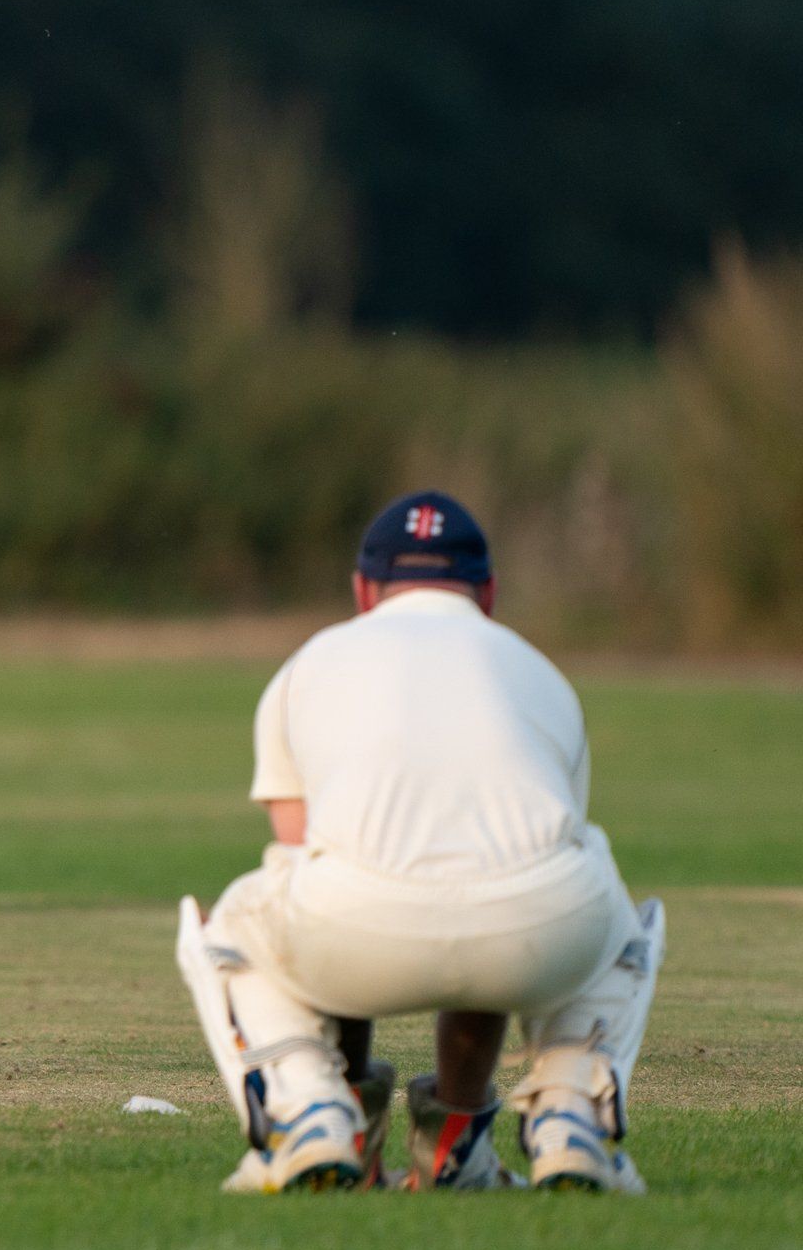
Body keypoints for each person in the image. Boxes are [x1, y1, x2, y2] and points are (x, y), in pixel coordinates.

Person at [176, 492, 664, 1195]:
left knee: (231, 926)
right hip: (542, 927)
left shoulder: (311, 662)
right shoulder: (543, 673)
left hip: (351, 926)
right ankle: (564, 1118)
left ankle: (314, 1108)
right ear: (488, 594)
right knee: (618, 921)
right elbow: (520, 857)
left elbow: (311, 853)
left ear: (363, 592)